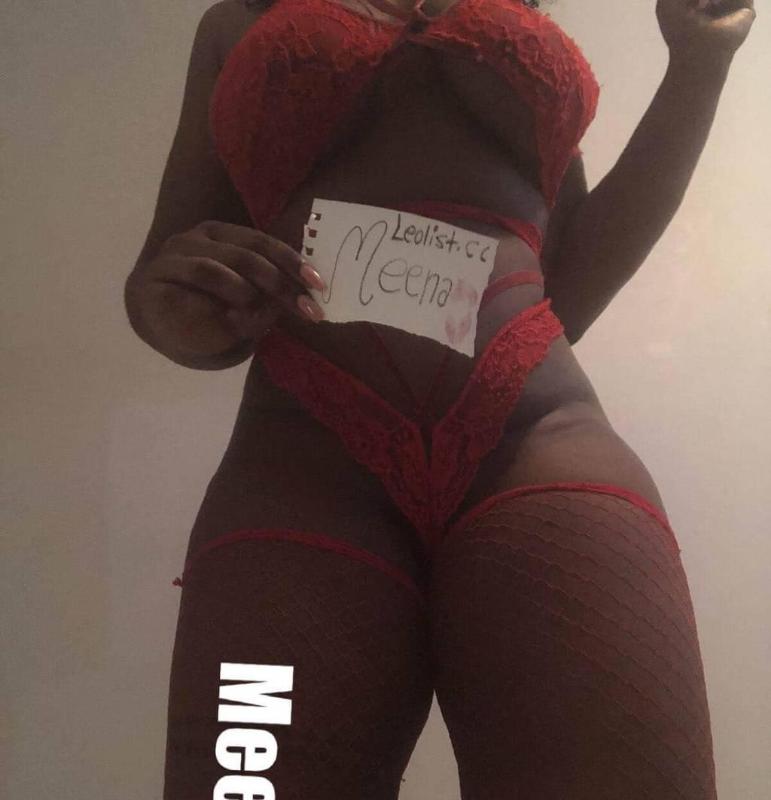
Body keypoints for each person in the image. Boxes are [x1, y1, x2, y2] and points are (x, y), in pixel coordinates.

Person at [124, 0, 755, 797]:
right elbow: (168, 272)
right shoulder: (236, 20)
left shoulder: (518, 10)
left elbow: (567, 283)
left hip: (535, 439)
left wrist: (699, 65)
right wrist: (179, 307)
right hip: (300, 462)